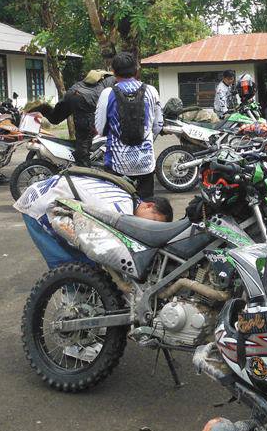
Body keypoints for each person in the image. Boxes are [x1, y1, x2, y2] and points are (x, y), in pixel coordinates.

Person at [14, 171, 172, 269]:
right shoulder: (121, 207)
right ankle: (71, 305)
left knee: (85, 262)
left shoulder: (128, 199)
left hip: (51, 195)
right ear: (149, 206)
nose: (149, 227)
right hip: (39, 204)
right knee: (66, 264)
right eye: (153, 221)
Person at [95, 52, 163, 198]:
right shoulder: (151, 91)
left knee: (119, 205)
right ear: (136, 70)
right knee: (146, 205)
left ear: (113, 71)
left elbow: (100, 129)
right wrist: (146, 139)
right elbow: (158, 125)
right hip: (145, 162)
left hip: (117, 163)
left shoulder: (107, 93)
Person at [30, 70, 115, 165]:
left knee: (55, 118)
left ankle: (43, 108)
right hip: (85, 99)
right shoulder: (116, 80)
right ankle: (83, 166)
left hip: (73, 92)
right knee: (85, 137)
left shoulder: (104, 75)